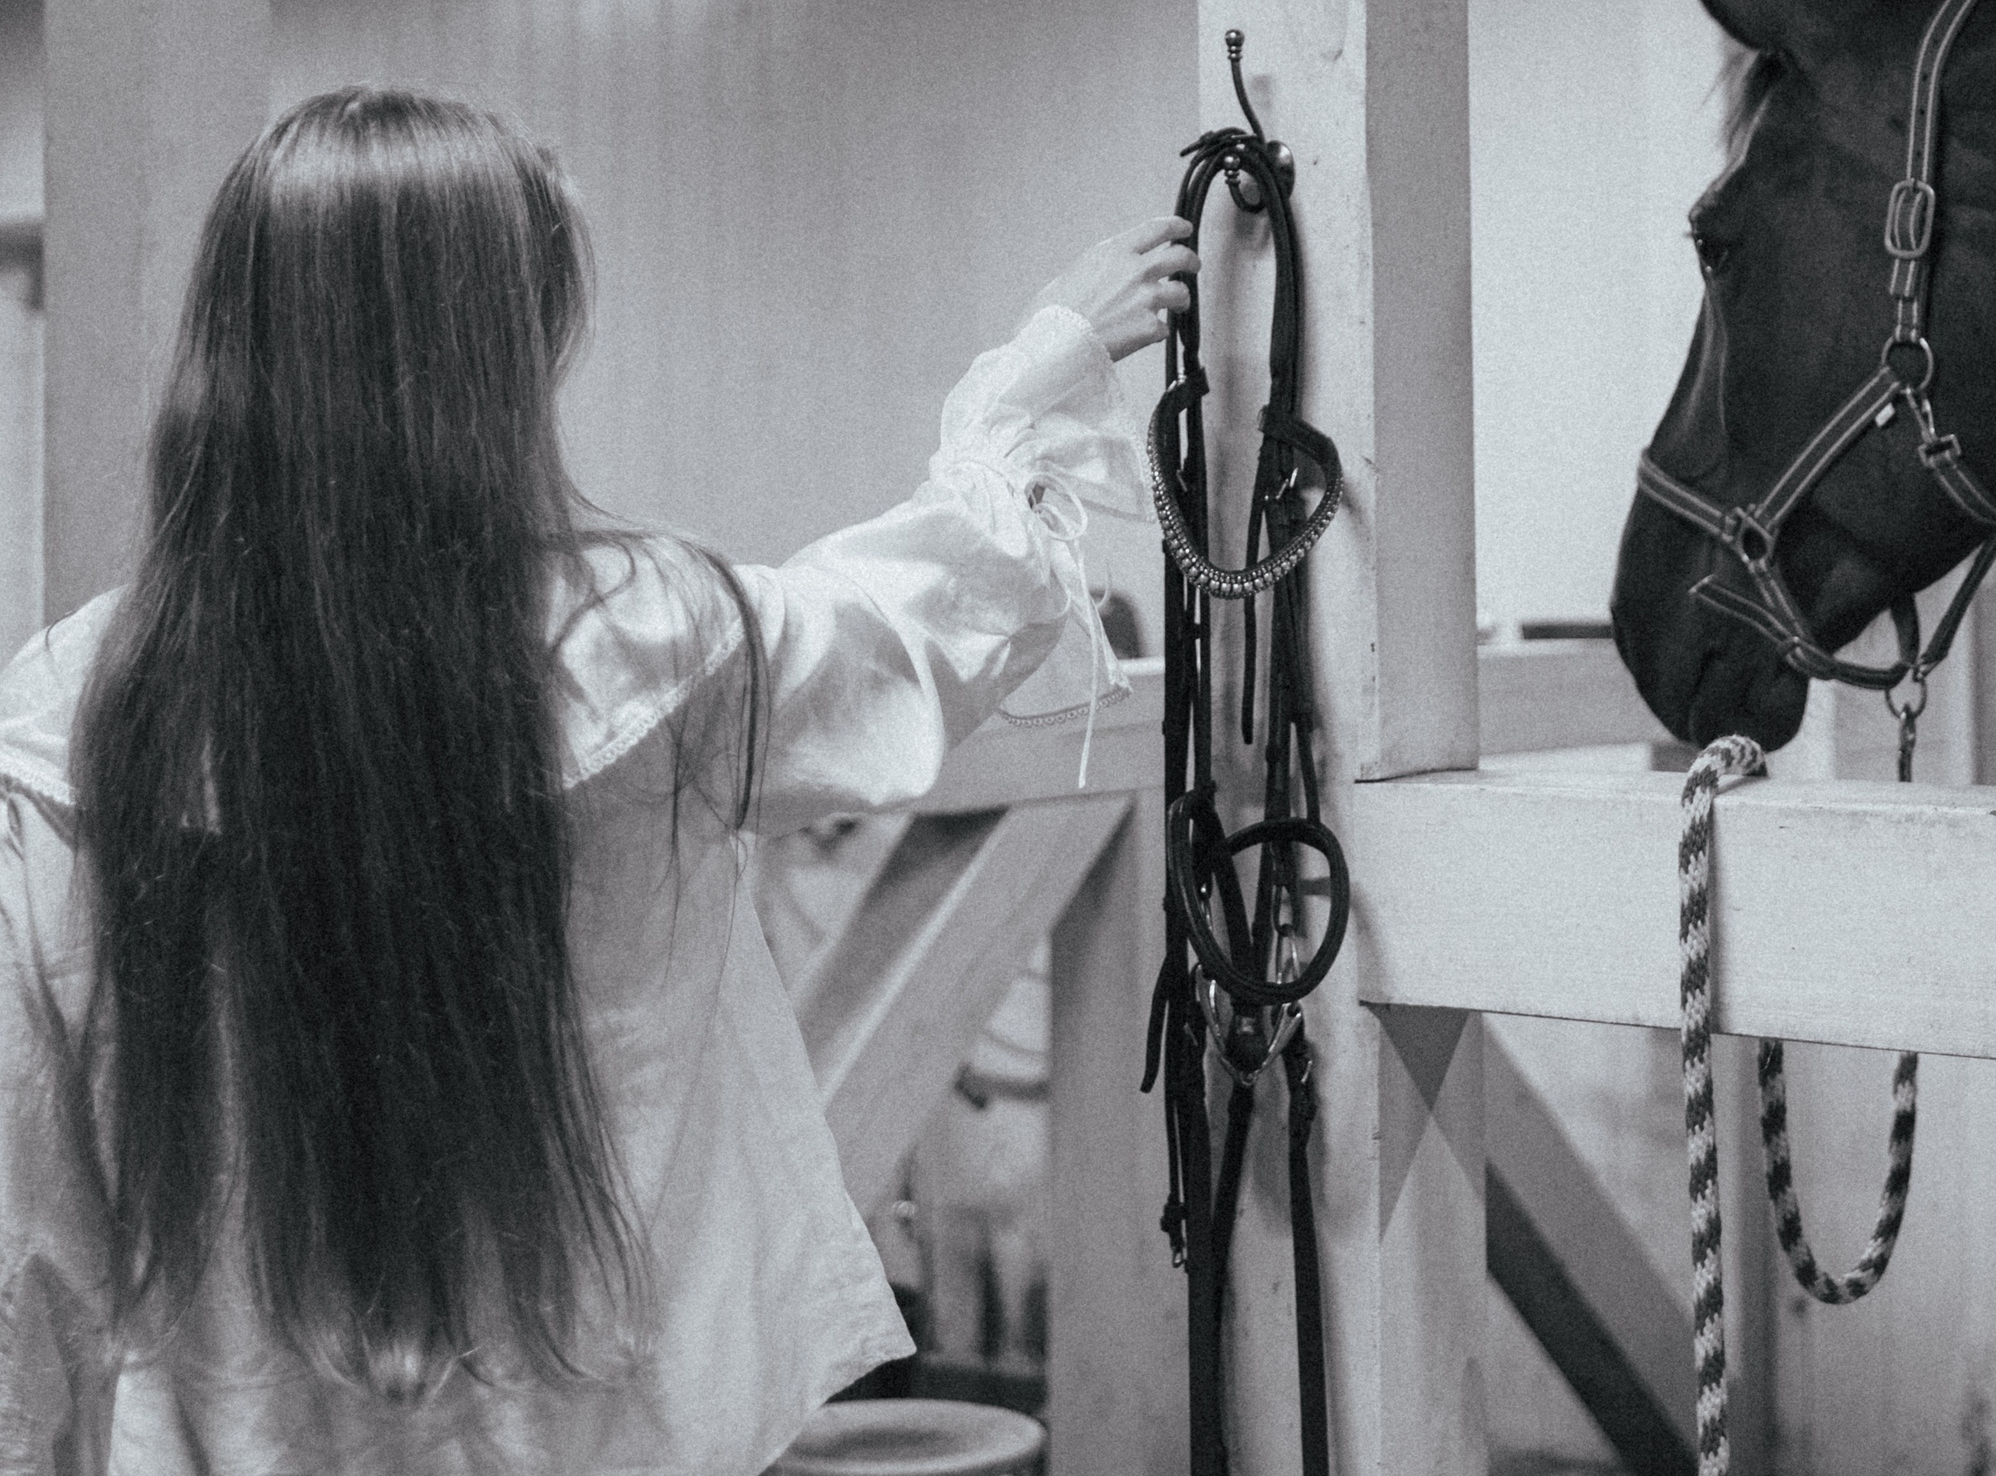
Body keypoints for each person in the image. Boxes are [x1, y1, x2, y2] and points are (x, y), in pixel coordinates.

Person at [0, 88, 1194, 1474]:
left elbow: (31, 1222)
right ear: (505, 356)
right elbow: (923, 624)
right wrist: (1043, 368)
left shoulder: (78, 717)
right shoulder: (644, 646)